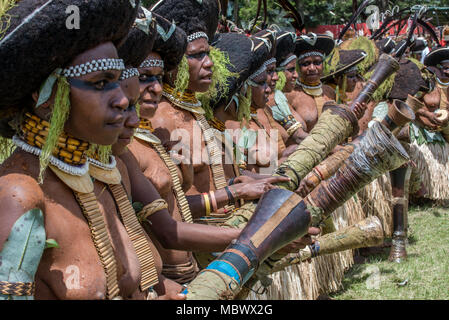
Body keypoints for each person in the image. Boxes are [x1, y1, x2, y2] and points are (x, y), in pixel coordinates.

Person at [0, 1, 165, 300]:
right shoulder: (19, 196)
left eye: (116, 82)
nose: (123, 100)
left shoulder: (98, 176)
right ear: (45, 99)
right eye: (100, 82)